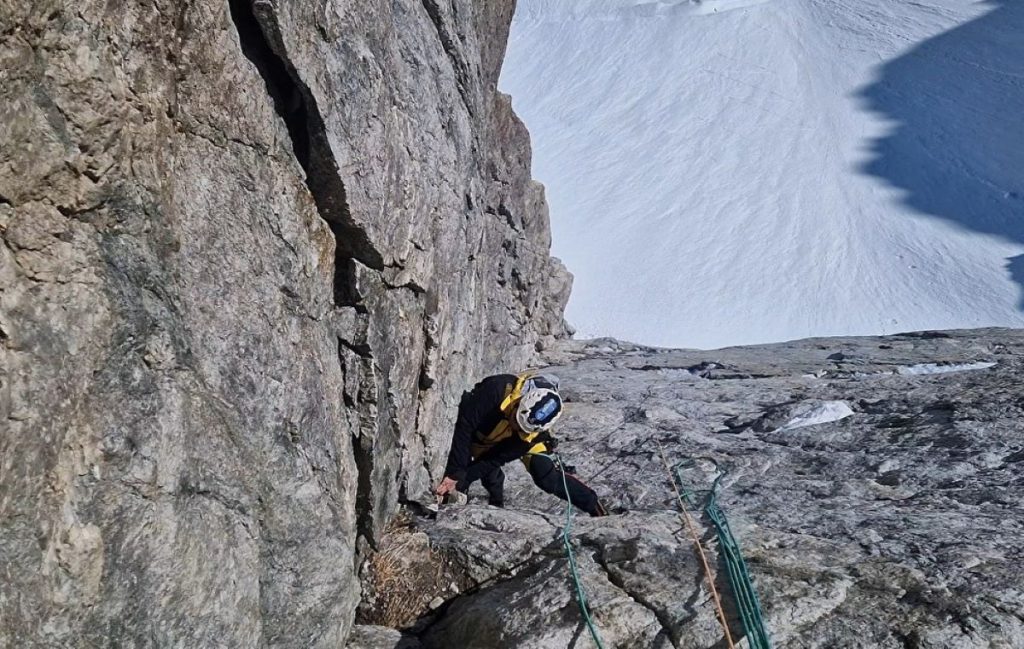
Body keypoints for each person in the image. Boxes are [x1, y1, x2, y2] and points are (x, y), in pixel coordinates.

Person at [434, 372, 607, 516]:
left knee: (547, 477)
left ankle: (593, 505)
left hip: (518, 440)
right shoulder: (496, 390)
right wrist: (456, 474)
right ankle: (496, 503)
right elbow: (465, 426)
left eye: (520, 427)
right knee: (485, 476)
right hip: (485, 432)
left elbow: (496, 458)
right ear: (519, 403)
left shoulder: (527, 435)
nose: (515, 426)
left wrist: (460, 477)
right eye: (516, 420)